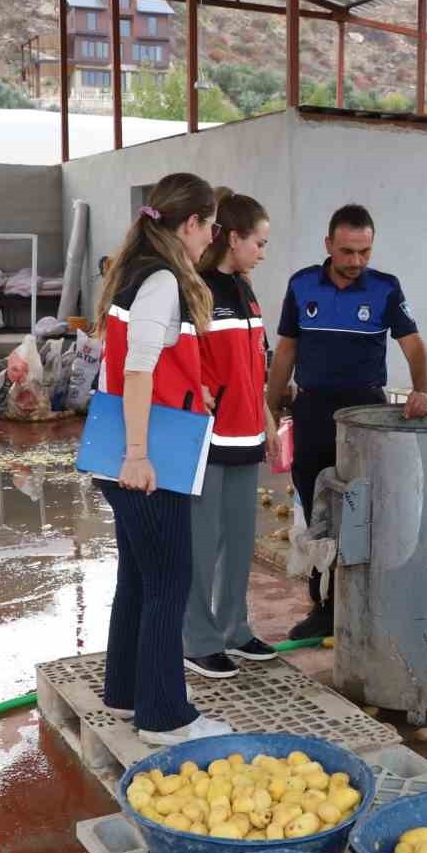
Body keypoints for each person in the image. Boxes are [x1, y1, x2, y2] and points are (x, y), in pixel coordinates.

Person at [92, 171, 234, 745]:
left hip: (128, 443)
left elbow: (144, 360)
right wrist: (137, 455)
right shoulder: (162, 281)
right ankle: (164, 716)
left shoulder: (136, 271)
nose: (212, 238)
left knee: (140, 574)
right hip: (147, 455)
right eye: (211, 227)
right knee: (170, 578)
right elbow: (136, 369)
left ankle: (127, 691)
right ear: (193, 223)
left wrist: (189, 389)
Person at [266, 204, 427, 640]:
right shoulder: (302, 285)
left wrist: (422, 390)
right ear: (328, 246)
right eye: (347, 251)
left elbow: (414, 346)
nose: (357, 261)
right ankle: (322, 607)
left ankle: (363, 605)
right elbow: (285, 350)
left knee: (363, 510)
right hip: (314, 411)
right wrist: (270, 407)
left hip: (366, 415)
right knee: (315, 510)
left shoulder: (385, 289)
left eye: (364, 251)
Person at [183, 188, 278, 674]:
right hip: (207, 439)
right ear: (234, 237)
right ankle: (197, 639)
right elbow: (183, 362)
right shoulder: (196, 290)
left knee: (240, 540)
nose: (263, 252)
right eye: (259, 242)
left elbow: (253, 364)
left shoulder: (245, 290)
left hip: (246, 435)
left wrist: (265, 418)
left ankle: (234, 629)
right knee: (202, 541)